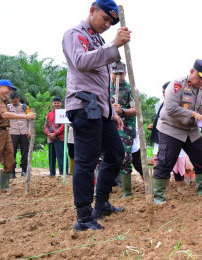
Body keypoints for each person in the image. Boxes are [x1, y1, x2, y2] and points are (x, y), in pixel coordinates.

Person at [62, 0, 130, 231]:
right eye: (105, 19)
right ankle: (83, 215)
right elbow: (81, 62)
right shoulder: (75, 34)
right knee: (86, 160)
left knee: (115, 153)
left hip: (100, 108)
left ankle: (101, 204)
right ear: (92, 11)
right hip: (83, 105)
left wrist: (111, 111)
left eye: (111, 23)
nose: (107, 25)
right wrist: (113, 46)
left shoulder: (99, 41)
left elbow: (101, 85)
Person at [153, 59, 202, 204]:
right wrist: (193, 114)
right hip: (171, 129)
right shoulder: (177, 85)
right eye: (200, 77)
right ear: (192, 71)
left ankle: (201, 191)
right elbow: (170, 108)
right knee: (165, 162)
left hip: (191, 130)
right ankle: (158, 197)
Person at [0, 79, 36, 194]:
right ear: (0, 87)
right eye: (8, 88)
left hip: (5, 132)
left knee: (10, 161)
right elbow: (4, 115)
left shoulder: (3, 101)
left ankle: (4, 186)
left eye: (11, 89)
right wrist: (27, 117)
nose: (10, 91)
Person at [110, 61, 137, 198]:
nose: (118, 76)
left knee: (125, 157)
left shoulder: (130, 89)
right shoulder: (104, 87)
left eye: (121, 73)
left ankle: (126, 192)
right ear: (111, 73)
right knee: (102, 157)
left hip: (125, 127)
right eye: (115, 73)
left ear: (125, 74)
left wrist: (123, 110)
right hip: (108, 125)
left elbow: (136, 110)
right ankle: (105, 188)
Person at [7, 92, 31, 178]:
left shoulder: (25, 107)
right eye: (12, 101)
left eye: (15, 101)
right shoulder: (8, 107)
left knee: (25, 152)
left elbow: (31, 119)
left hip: (24, 132)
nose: (13, 103)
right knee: (12, 152)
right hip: (12, 132)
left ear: (19, 99)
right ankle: (12, 171)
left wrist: (30, 130)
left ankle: (24, 170)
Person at [44, 97, 67, 177]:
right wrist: (49, 134)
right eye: (55, 103)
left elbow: (65, 125)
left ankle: (63, 172)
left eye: (58, 103)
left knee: (61, 155)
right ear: (52, 104)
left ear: (61, 103)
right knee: (51, 156)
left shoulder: (64, 113)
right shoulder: (49, 114)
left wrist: (55, 133)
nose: (56, 104)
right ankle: (52, 172)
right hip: (50, 138)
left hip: (60, 137)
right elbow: (45, 126)